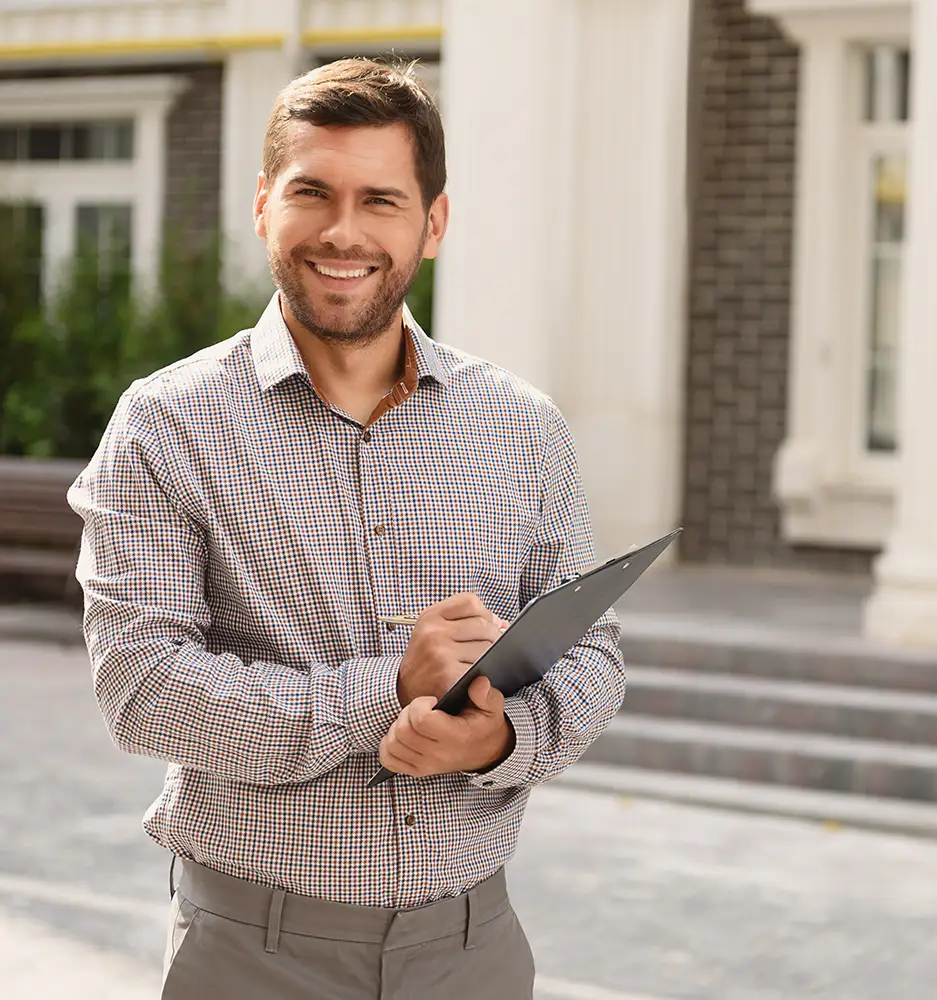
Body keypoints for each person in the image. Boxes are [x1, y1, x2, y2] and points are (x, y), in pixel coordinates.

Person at [67, 57, 625, 1000]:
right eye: (312, 192)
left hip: (472, 952)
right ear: (262, 205)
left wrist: (495, 742)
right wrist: (386, 694)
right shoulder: (167, 423)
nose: (344, 231)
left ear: (432, 224)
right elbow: (143, 690)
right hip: (252, 954)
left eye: (382, 200)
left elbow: (595, 660)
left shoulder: (521, 427)